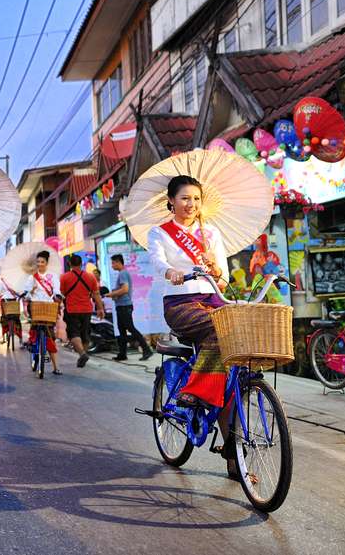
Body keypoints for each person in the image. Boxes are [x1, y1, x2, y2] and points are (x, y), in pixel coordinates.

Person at [147, 176, 235, 472]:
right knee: (216, 330)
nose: (191, 205)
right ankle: (195, 392)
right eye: (185, 198)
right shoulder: (160, 233)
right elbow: (158, 263)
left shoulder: (210, 233)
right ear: (171, 200)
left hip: (213, 299)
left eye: (196, 199)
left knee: (232, 369)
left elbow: (224, 278)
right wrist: (171, 271)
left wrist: (216, 268)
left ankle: (234, 454)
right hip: (180, 303)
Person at [60, 255, 106, 368]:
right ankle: (83, 355)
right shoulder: (91, 277)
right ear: (81, 264)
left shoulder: (64, 277)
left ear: (70, 264)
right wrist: (100, 308)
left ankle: (82, 354)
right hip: (87, 309)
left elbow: (60, 295)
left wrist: (57, 307)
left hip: (72, 309)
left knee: (73, 333)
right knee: (85, 334)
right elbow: (96, 294)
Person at [22, 250, 63, 375]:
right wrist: (31, 291)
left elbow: (56, 290)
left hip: (49, 307)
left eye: (42, 262)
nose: (40, 264)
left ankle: (56, 367)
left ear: (46, 263)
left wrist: (57, 295)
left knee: (50, 336)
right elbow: (26, 294)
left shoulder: (53, 276)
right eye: (38, 261)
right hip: (35, 307)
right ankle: (34, 347)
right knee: (34, 331)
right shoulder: (32, 277)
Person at [109, 254, 153, 361]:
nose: (112, 265)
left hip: (124, 306)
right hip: (121, 305)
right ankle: (122, 354)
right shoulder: (122, 273)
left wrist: (111, 294)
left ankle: (146, 349)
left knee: (130, 328)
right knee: (122, 330)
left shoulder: (123, 273)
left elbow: (124, 289)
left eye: (113, 263)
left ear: (118, 262)